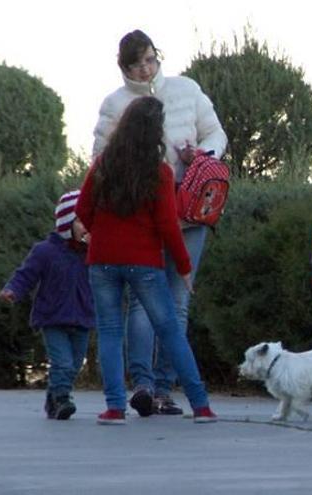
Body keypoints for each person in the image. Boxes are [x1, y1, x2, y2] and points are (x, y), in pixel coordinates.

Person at [92, 29, 227, 416]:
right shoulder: (114, 104)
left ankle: (164, 388)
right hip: (142, 209)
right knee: (143, 301)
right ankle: (144, 385)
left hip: (190, 202)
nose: (146, 68)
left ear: (157, 56)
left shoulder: (186, 88)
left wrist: (201, 155)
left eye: (150, 59)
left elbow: (216, 132)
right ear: (125, 67)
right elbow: (101, 162)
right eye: (137, 64)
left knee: (179, 300)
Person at [77, 96, 217, 425]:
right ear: (156, 131)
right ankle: (201, 406)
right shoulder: (160, 173)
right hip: (145, 263)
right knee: (169, 330)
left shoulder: (103, 166)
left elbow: (83, 210)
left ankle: (114, 408)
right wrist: (184, 267)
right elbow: (168, 226)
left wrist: (102, 233)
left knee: (110, 332)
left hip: (103, 261)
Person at [0, 190, 94, 420]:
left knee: (73, 365)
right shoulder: (45, 251)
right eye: (80, 221)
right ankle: (62, 398)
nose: (86, 226)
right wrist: (13, 290)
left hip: (83, 316)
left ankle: (54, 397)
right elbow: (26, 274)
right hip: (53, 318)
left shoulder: (92, 253)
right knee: (62, 362)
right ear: (65, 223)